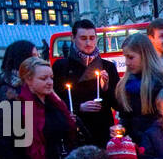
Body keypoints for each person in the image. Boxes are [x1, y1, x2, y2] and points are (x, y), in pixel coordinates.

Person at [10, 56, 77, 159]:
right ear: (29, 80)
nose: (49, 82)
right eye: (43, 78)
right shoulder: (19, 109)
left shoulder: (55, 104)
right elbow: (14, 149)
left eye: (51, 78)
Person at [51, 18, 119, 146]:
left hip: (102, 131)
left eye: (92, 38)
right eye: (83, 38)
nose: (88, 42)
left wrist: (106, 88)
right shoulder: (61, 66)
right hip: (75, 131)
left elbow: (118, 104)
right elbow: (55, 100)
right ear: (73, 38)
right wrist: (78, 107)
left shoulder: (108, 66)